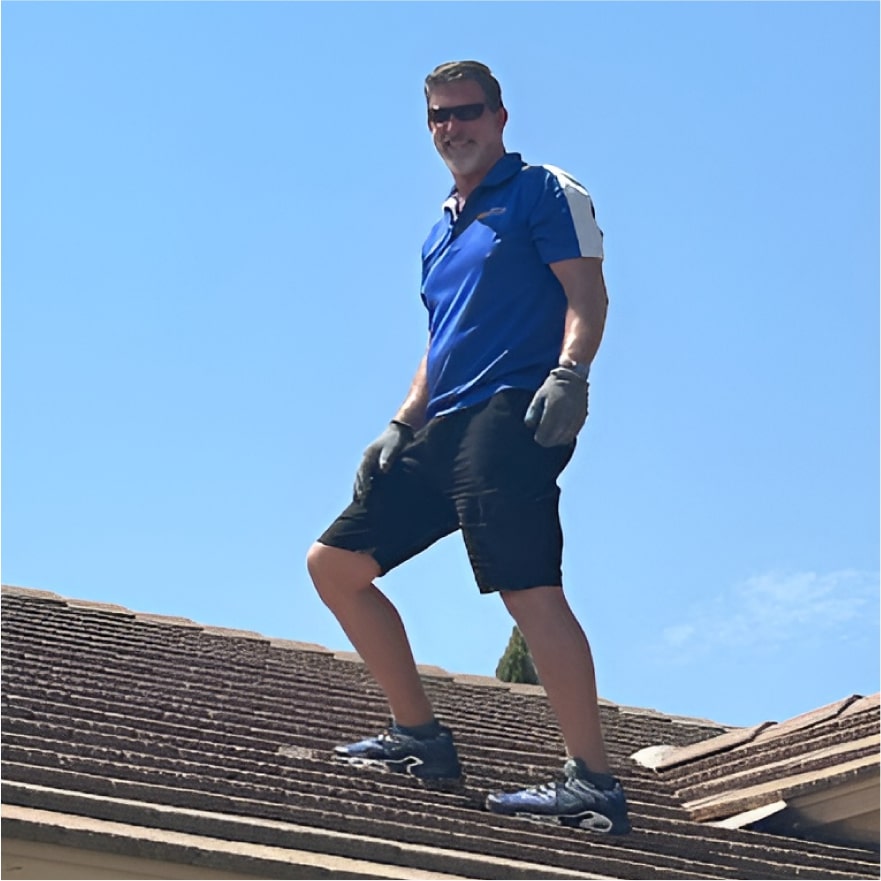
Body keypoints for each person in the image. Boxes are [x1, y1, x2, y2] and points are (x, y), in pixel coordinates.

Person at [306, 60, 630, 835]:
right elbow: (439, 341)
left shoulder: (544, 191)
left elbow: (587, 294)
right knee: (335, 566)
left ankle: (592, 783)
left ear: (500, 117)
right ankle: (420, 739)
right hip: (442, 423)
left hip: (513, 411)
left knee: (527, 590)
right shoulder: (440, 227)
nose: (454, 127)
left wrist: (570, 374)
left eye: (468, 112)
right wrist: (400, 421)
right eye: (439, 117)